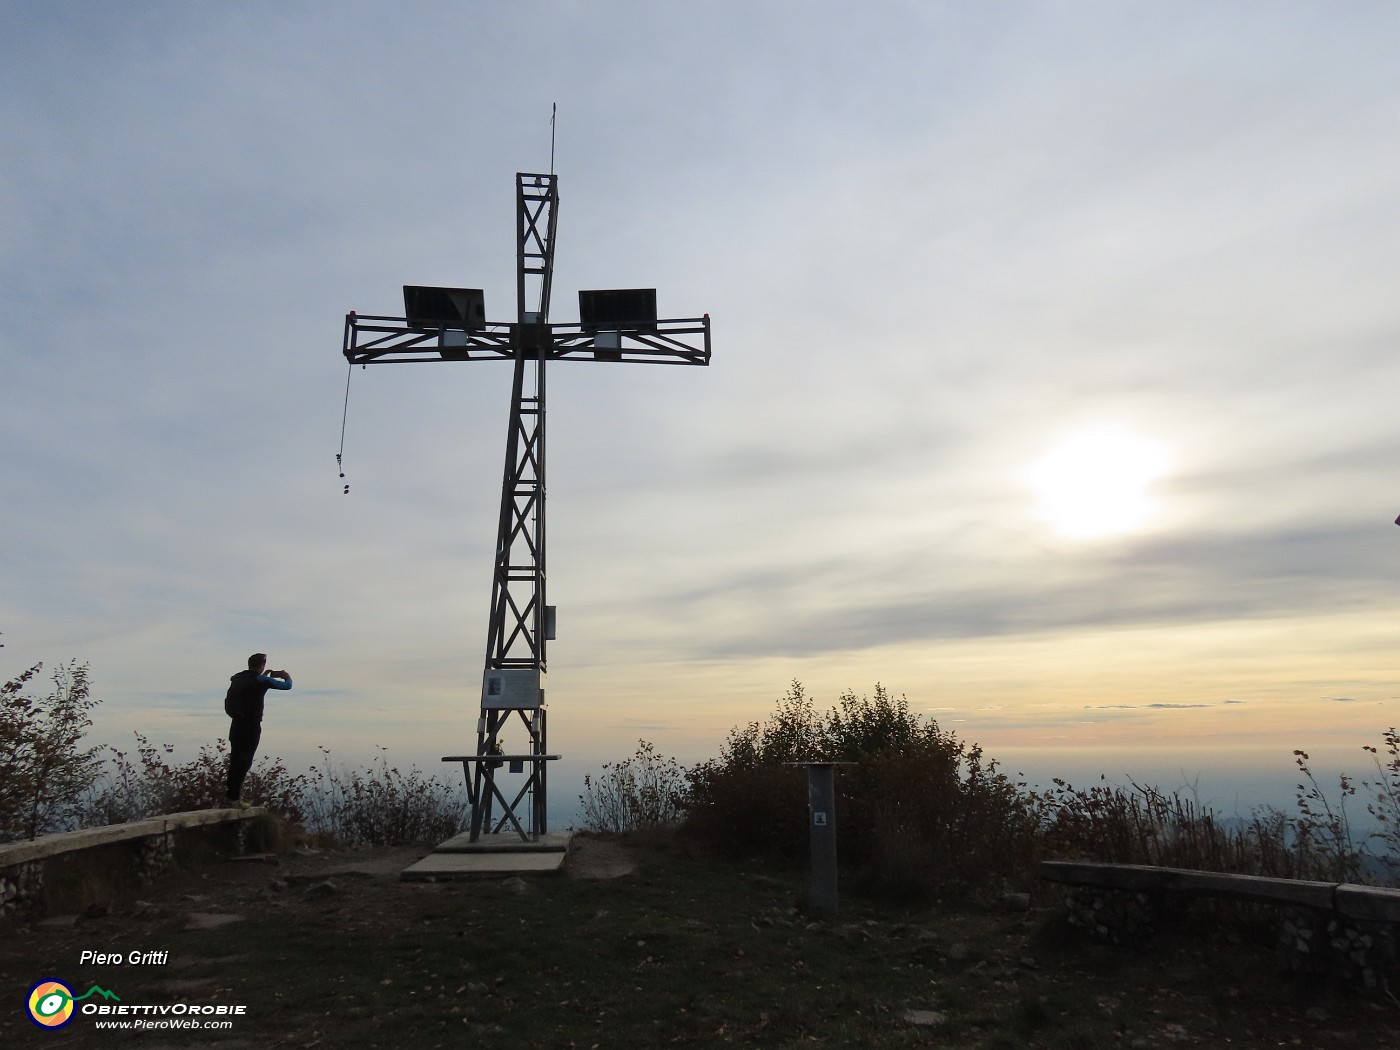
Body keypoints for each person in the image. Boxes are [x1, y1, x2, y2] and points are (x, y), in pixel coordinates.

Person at [223, 653, 293, 807]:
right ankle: (234, 799)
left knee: (235, 759)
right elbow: (287, 685)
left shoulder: (238, 679)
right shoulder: (261, 680)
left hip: (236, 725)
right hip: (251, 726)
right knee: (245, 760)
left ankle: (230, 797)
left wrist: (266, 677)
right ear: (262, 665)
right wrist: (286, 676)